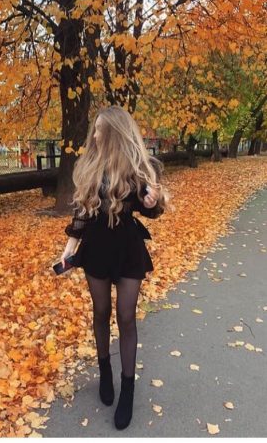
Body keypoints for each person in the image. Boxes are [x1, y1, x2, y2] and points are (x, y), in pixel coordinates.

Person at [60, 105, 171, 430]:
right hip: (95, 249)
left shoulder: (139, 168)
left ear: (115, 134)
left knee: (126, 316)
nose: (94, 135)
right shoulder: (89, 167)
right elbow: (81, 214)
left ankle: (128, 389)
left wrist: (153, 202)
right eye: (94, 129)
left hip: (127, 251)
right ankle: (105, 371)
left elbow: (152, 209)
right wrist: (68, 251)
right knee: (101, 311)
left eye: (100, 130)